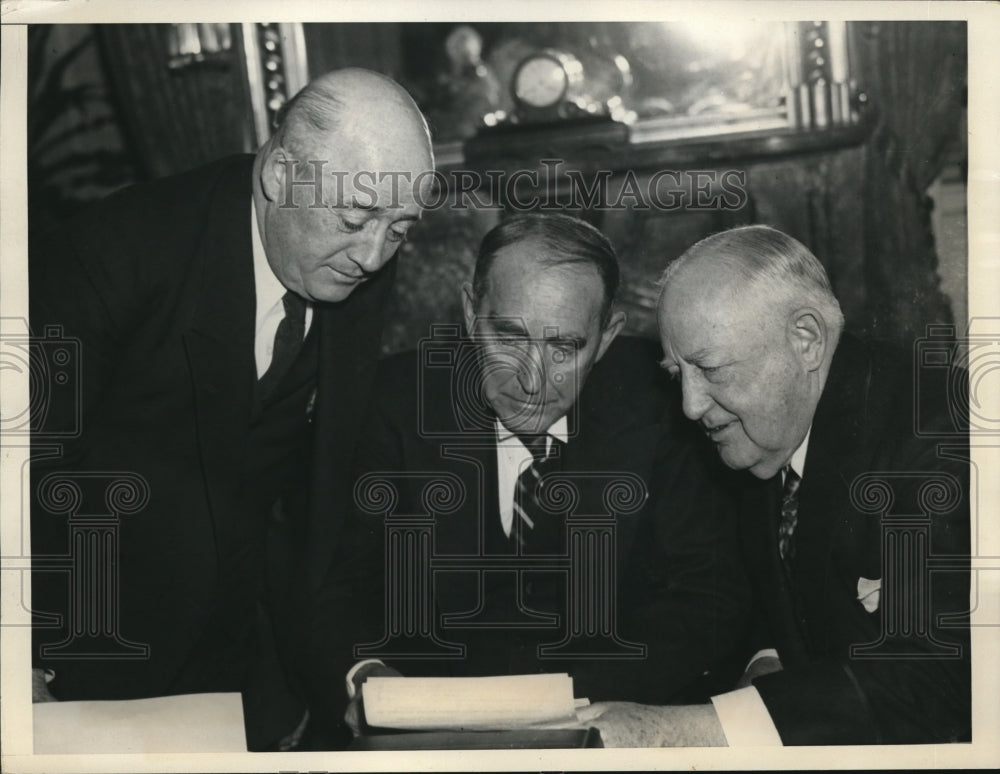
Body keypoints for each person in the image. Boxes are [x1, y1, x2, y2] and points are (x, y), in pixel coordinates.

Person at [29, 68, 434, 750]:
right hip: (80, 663)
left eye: (399, 229)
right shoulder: (108, 255)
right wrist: (22, 673)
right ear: (279, 173)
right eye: (355, 218)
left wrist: (349, 667)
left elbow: (314, 496)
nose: (371, 255)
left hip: (239, 677)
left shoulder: (350, 257)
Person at [308, 212, 749, 747]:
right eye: (509, 336)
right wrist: (366, 677)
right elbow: (338, 582)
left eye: (564, 347)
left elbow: (707, 595)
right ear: (472, 313)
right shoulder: (393, 403)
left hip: (613, 718)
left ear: (606, 338)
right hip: (427, 735)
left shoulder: (664, 407)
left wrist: (563, 707)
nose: (532, 379)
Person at [582, 225, 970, 746]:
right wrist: (769, 661)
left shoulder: (940, 436)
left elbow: (935, 681)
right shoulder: (767, 432)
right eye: (678, 375)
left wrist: (678, 734)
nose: (691, 407)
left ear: (805, 339)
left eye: (711, 369)